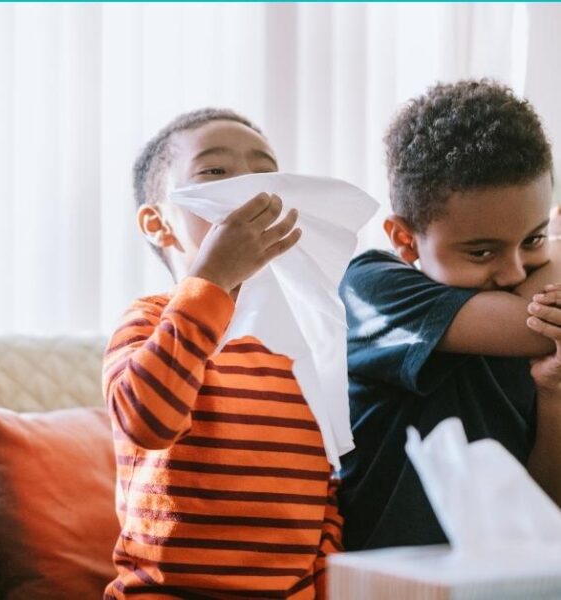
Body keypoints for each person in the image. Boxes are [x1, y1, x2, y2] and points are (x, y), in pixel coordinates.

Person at [104, 108, 342, 599]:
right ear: (158, 223)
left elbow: (328, 490)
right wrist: (210, 281)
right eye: (215, 172)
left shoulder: (301, 344)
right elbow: (147, 421)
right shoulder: (149, 321)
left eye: (264, 174)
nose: (249, 192)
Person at [339, 79, 561, 551]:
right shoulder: (374, 287)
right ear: (404, 240)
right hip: (390, 584)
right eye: (482, 252)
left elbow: (545, 511)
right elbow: (533, 329)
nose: (513, 270)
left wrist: (554, 394)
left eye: (533, 239)